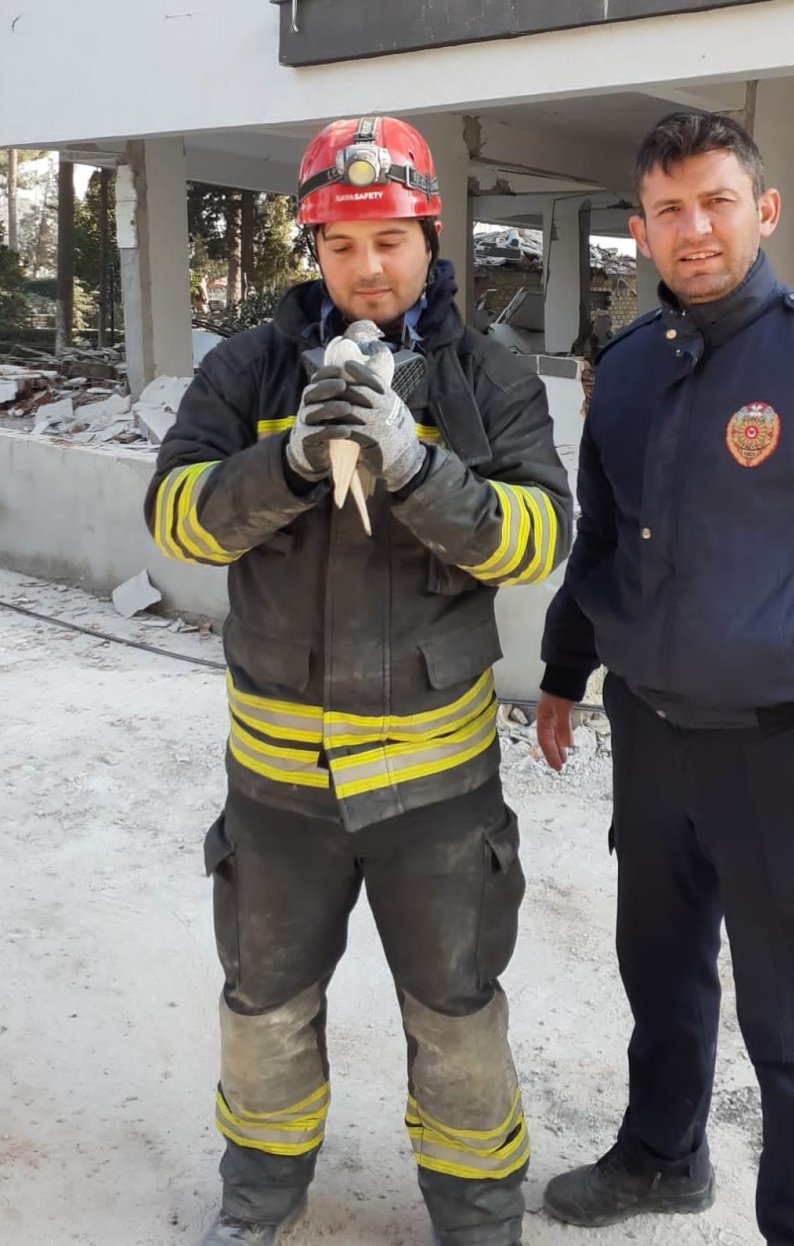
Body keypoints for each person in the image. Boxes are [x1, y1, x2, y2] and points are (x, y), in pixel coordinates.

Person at [145, 114, 571, 1246]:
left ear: (430, 235)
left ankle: (478, 1216)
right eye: (341, 244)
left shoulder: (490, 375)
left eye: (390, 239)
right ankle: (260, 1204)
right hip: (279, 792)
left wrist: (421, 467)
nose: (367, 267)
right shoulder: (251, 367)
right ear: (314, 249)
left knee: (457, 1017)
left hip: (438, 796)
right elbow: (174, 516)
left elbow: (535, 539)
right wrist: (282, 463)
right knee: (265, 1010)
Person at [537, 110, 794, 1246]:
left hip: (778, 747)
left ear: (764, 210)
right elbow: (604, 539)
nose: (695, 229)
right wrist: (562, 668)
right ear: (641, 231)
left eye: (717, 201)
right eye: (669, 210)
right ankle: (660, 1156)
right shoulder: (632, 369)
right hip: (647, 731)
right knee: (661, 969)